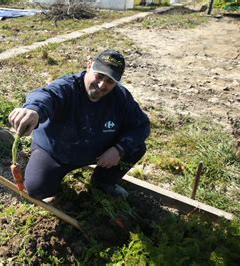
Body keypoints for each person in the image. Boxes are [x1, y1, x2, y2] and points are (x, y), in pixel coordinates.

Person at [9, 49, 150, 200]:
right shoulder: (67, 87)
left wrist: (119, 149)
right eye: (99, 76)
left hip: (97, 152)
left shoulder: (121, 97)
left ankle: (103, 182)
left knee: (136, 147)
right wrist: (33, 110)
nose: (102, 85)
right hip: (57, 152)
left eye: (110, 81)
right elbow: (46, 96)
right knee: (37, 189)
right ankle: (53, 183)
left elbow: (141, 125)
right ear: (89, 66)